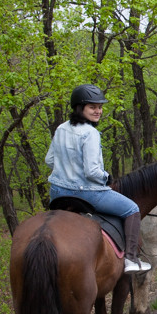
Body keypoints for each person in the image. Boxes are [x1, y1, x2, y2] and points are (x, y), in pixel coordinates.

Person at [46, 84, 151, 273]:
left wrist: (67, 169)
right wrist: (107, 177)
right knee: (132, 209)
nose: (98, 111)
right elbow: (92, 172)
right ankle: (131, 260)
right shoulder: (90, 133)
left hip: (57, 193)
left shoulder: (61, 128)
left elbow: (49, 160)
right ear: (80, 108)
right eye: (92, 107)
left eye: (100, 107)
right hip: (85, 193)